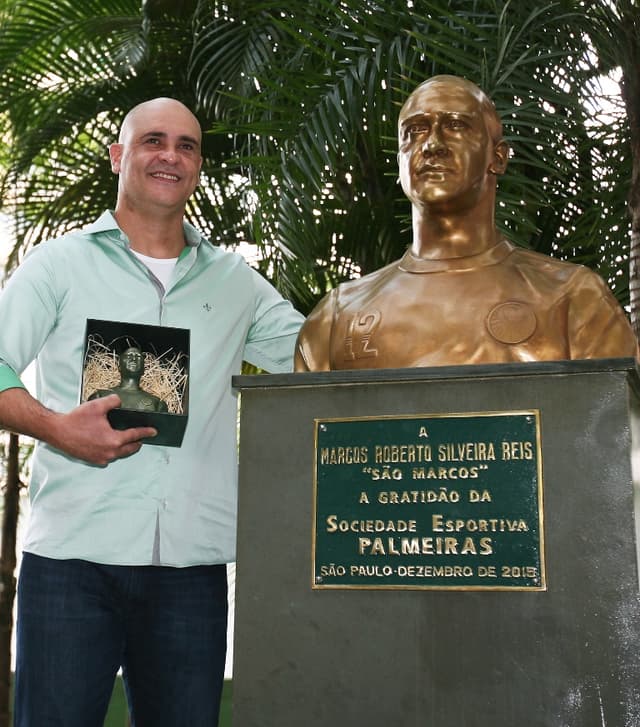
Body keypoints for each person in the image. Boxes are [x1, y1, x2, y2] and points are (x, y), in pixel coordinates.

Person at [0, 97, 304, 726]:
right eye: (153, 141)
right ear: (120, 156)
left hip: (190, 571)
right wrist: (57, 429)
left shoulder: (236, 283)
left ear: (197, 167)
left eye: (187, 146)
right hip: (72, 562)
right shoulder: (58, 265)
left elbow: (319, 351)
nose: (170, 155)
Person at [294, 75, 638, 370]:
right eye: (414, 131)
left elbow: (616, 434)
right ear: (400, 159)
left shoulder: (571, 299)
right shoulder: (337, 318)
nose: (431, 145)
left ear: (497, 157)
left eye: (456, 126)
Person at [88, 345, 169, 412]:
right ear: (119, 367)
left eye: (138, 357)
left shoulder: (157, 404)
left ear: (144, 370)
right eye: (129, 355)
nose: (133, 359)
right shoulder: (100, 397)